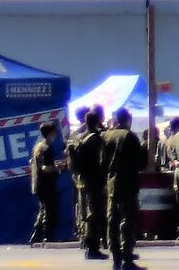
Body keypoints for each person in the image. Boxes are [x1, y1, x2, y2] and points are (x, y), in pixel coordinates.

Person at [102, 108, 148, 269]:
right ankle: (127, 257)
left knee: (112, 220)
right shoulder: (130, 137)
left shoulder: (107, 136)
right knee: (128, 220)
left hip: (112, 183)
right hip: (128, 183)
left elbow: (102, 161)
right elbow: (141, 163)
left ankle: (115, 256)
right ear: (128, 119)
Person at [73, 108, 110, 259]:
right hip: (95, 180)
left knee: (87, 213)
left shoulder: (80, 137)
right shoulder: (95, 139)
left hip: (83, 180)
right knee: (95, 214)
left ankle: (88, 244)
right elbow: (101, 161)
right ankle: (92, 248)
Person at [31, 119, 69, 245]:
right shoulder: (47, 149)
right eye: (54, 133)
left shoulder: (38, 147)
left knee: (43, 209)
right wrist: (58, 167)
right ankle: (48, 235)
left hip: (37, 183)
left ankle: (36, 234)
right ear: (50, 133)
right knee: (50, 210)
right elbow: (45, 168)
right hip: (46, 184)